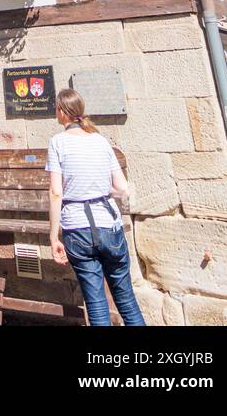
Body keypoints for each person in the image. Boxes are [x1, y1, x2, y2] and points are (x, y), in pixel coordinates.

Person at [47, 87, 145, 326]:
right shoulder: (100, 141)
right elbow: (122, 188)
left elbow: (56, 192)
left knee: (96, 302)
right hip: (108, 224)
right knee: (126, 298)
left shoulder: (58, 142)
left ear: (62, 111)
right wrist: (101, 192)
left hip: (77, 227)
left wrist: (53, 236)